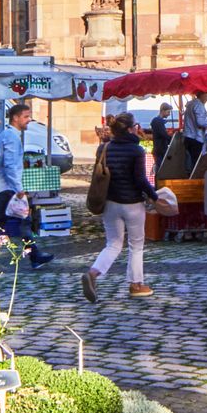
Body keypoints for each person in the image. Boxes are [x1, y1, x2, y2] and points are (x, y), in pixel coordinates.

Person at [82, 112, 159, 302]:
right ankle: (136, 284)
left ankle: (92, 273)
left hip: (109, 202)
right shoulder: (136, 151)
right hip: (132, 204)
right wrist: (154, 196)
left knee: (113, 244)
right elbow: (140, 179)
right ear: (131, 129)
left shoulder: (104, 148)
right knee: (136, 245)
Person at [0, 102, 53, 268]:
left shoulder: (9, 136)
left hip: (6, 188)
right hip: (7, 189)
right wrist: (19, 189)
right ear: (15, 118)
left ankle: (34, 255)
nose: (29, 120)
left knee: (23, 221)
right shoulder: (11, 137)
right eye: (26, 116)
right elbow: (10, 165)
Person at [182, 91, 207, 172]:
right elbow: (200, 122)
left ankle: (190, 178)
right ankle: (196, 180)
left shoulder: (191, 104)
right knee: (196, 162)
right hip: (196, 138)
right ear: (202, 94)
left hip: (188, 136)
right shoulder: (199, 105)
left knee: (190, 162)